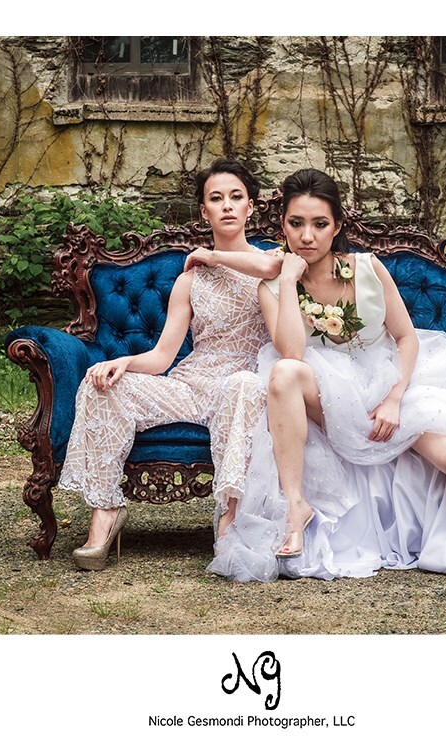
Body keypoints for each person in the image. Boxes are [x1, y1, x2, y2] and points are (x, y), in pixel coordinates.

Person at [209, 168, 446, 582]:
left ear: (337, 226)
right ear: (284, 227)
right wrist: (287, 281)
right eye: (296, 224)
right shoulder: (272, 286)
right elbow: (291, 350)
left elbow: (405, 338)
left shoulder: (367, 268)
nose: (307, 236)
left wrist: (396, 397)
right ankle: (295, 505)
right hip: (325, 395)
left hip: (387, 382)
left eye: (319, 224)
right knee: (285, 371)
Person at [58, 158, 283, 570]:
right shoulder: (188, 280)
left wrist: (213, 257)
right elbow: (164, 356)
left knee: (243, 386)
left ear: (251, 207)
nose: (227, 206)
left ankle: (229, 522)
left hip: (243, 383)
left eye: (237, 197)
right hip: (193, 384)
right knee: (101, 384)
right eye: (217, 199)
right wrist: (122, 362)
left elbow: (269, 267)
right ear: (204, 211)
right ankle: (106, 512)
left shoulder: (273, 263)